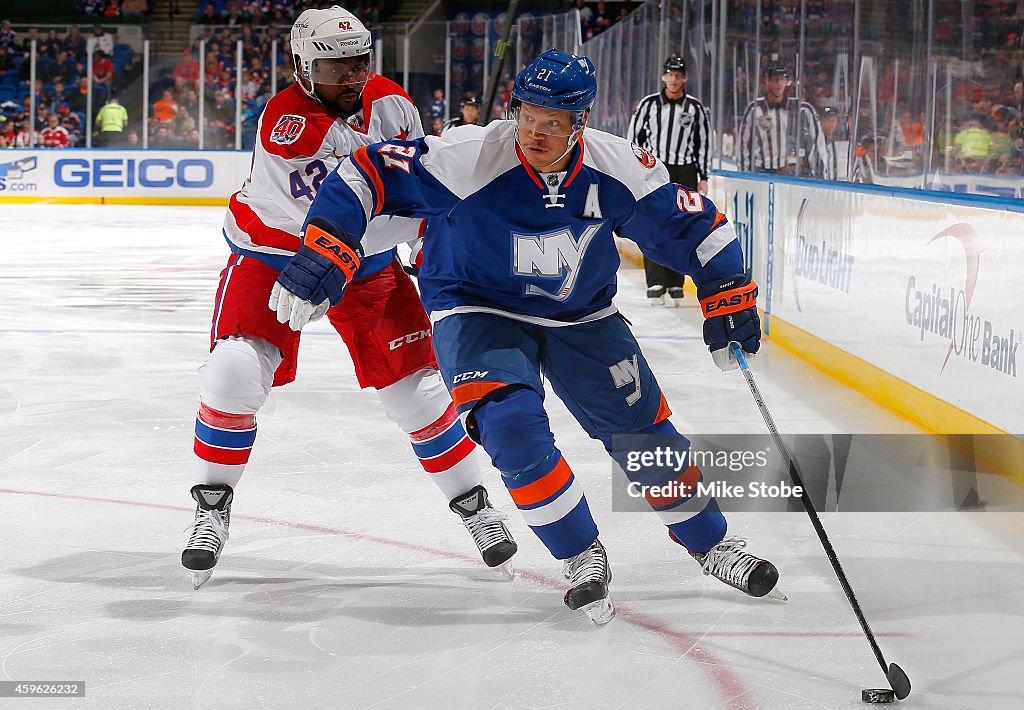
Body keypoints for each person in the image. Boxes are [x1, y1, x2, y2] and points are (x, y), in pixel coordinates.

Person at [278, 48, 782, 624]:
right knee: (510, 428)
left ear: (581, 124)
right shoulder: (468, 156)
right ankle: (580, 554)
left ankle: (713, 544)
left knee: (645, 436)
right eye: (528, 115)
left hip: (583, 316)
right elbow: (362, 176)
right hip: (477, 307)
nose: (536, 132)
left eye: (553, 122)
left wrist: (730, 288)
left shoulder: (618, 168)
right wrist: (326, 246)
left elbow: (694, 225)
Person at [180, 6, 517, 590]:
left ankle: (474, 505)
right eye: (336, 67)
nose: (352, 77)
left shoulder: (392, 103)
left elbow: (415, 181)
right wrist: (419, 227)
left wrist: (438, 221)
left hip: (366, 266)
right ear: (304, 68)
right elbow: (330, 221)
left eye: (359, 63)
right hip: (280, 257)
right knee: (233, 372)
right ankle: (213, 503)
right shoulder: (288, 124)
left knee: (418, 393)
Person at [627, 55, 710, 307]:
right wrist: (634, 168)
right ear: (664, 76)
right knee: (653, 224)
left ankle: (676, 281)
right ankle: (655, 281)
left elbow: (703, 143)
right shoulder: (648, 105)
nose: (673, 79)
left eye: (678, 75)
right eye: (670, 74)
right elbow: (633, 138)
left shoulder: (695, 108)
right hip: (655, 170)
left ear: (684, 78)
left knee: (682, 225)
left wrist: (703, 176)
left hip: (685, 171)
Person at [738, 60, 830, 179]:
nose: (779, 83)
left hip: (792, 175)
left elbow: (817, 145)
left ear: (787, 82)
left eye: (782, 79)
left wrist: (820, 176)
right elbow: (743, 146)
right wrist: (743, 176)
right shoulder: (754, 110)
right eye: (775, 79)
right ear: (768, 81)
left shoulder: (804, 110)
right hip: (761, 174)